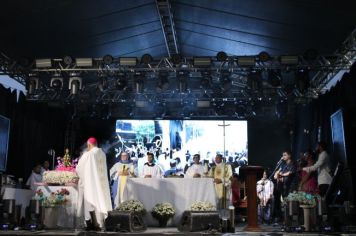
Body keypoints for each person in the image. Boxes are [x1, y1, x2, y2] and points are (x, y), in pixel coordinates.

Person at [76, 137, 112, 230]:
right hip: (101, 184)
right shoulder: (102, 153)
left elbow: (79, 169)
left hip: (90, 184)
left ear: (89, 145)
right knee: (100, 200)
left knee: (90, 202)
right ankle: (100, 223)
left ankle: (91, 224)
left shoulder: (88, 154)